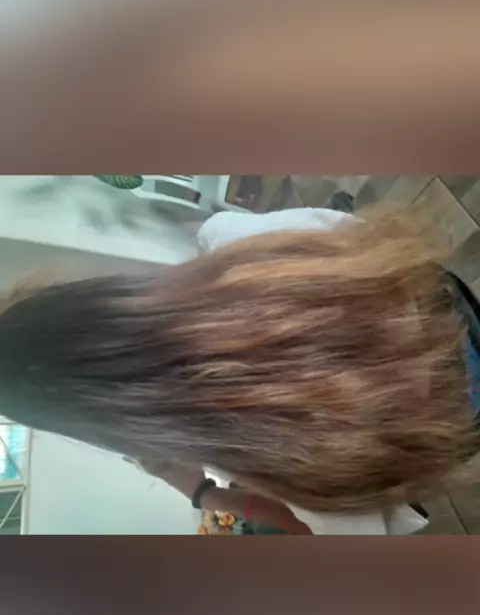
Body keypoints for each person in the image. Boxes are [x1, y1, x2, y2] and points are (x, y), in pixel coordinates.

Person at [0, 207, 474, 534]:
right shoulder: (233, 238)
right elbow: (359, 233)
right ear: (97, 297)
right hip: (451, 307)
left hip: (460, 411)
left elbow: (353, 533)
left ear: (105, 425)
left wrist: (203, 492)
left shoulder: (283, 461)